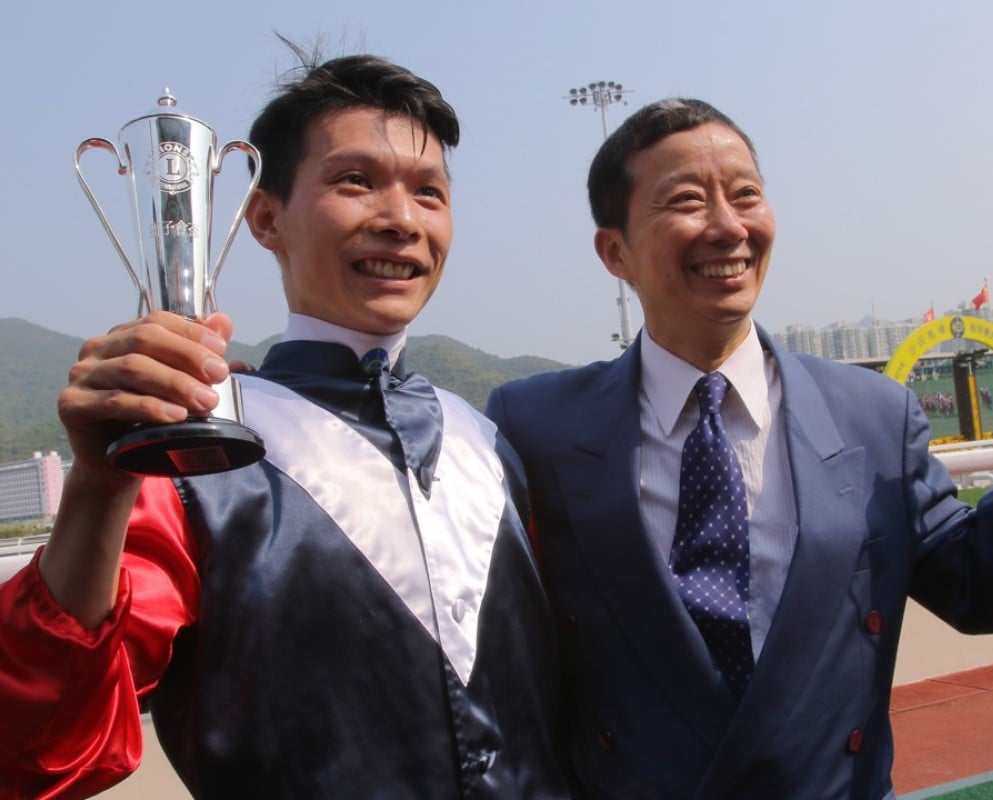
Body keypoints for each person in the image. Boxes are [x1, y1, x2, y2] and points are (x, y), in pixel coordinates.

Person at [485, 98, 993, 799]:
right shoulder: (538, 427)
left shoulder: (871, 414)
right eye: (686, 200)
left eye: (746, 194)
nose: (728, 225)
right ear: (614, 251)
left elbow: (980, 586)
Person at [0, 50, 570, 799]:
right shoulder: (201, 461)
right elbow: (41, 749)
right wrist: (101, 486)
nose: (401, 220)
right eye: (355, 181)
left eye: (430, 193)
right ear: (264, 218)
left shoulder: (490, 442)